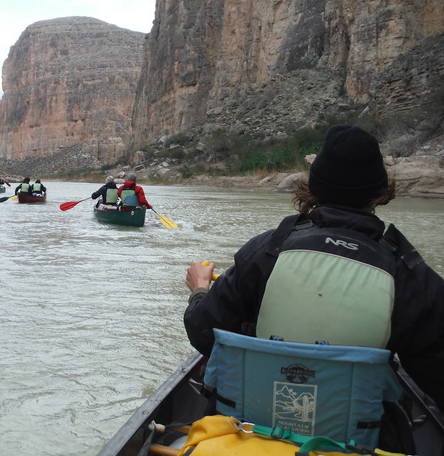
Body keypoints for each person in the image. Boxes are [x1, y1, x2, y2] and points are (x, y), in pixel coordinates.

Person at [183, 125, 444, 411]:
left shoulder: (266, 250)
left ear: (315, 185)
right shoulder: (410, 274)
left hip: (254, 422)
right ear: (380, 192)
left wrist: (199, 290)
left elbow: (204, 331)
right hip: (358, 443)